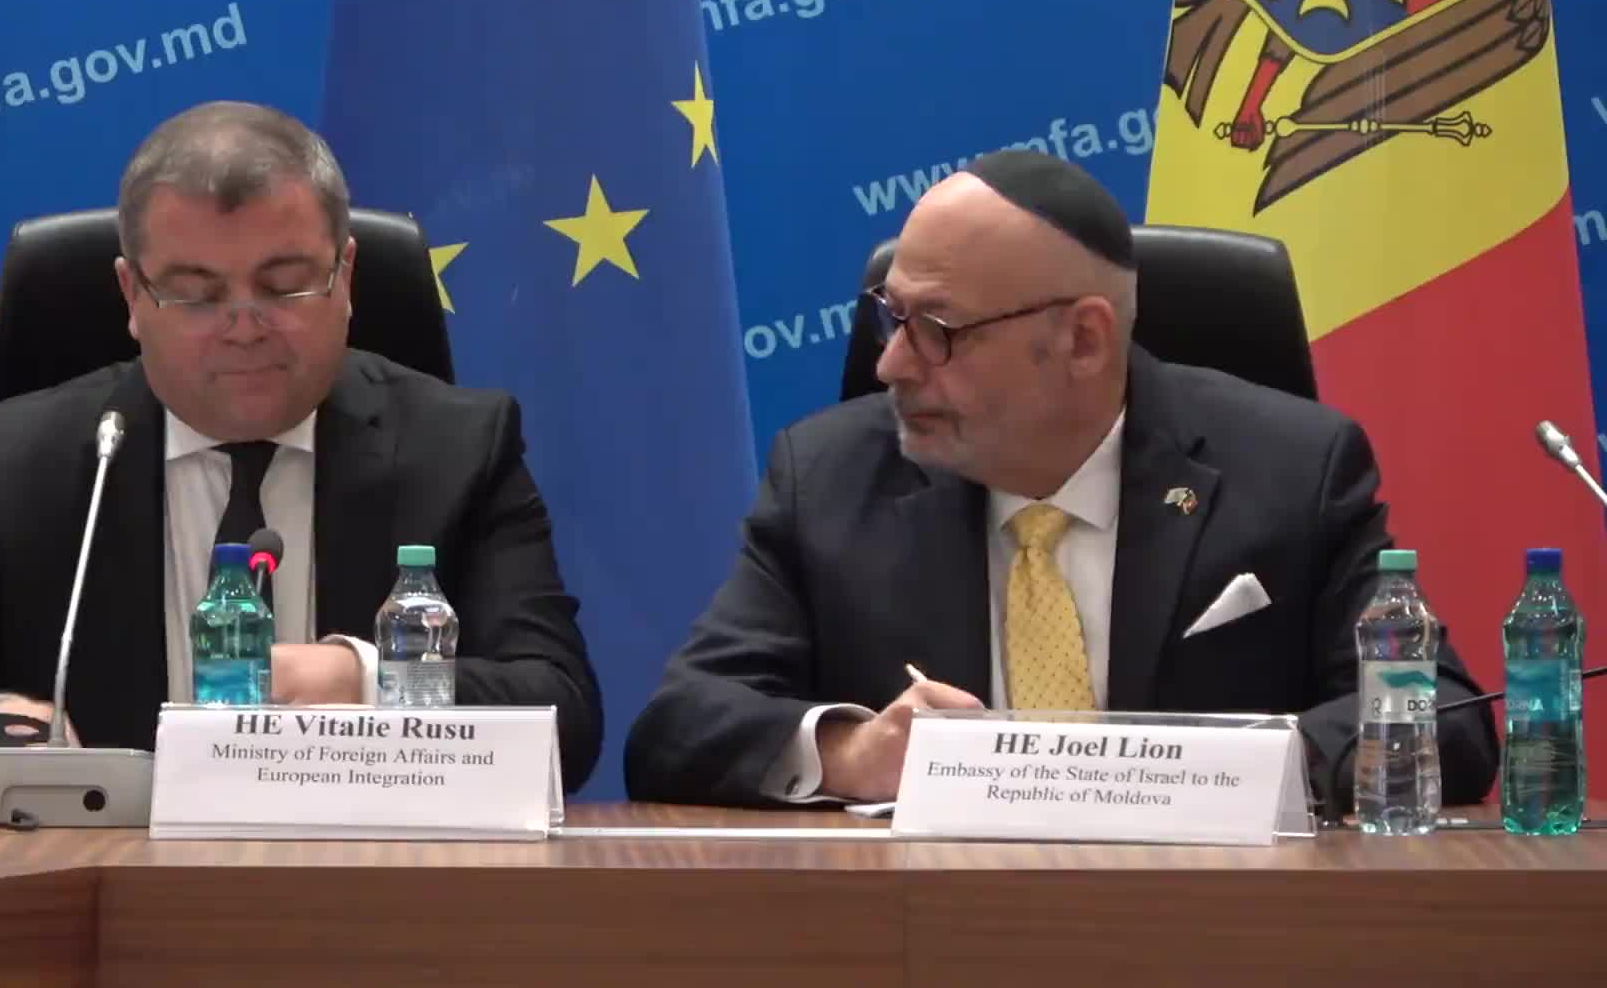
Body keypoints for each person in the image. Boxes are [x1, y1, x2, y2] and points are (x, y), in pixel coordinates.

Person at [623, 149, 1498, 809]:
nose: (891, 364)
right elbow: (677, 726)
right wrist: (858, 754)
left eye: (937, 330)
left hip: (1215, 932)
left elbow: (1448, 721)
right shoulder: (830, 477)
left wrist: (1218, 771)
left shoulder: (1291, 468)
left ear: (1084, 340)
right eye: (892, 317)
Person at [0, 101, 603, 798]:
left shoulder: (459, 449)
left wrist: (363, 680)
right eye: (196, 294)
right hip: (103, 888)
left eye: (284, 285)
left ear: (346, 276)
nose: (243, 326)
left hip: (379, 883)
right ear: (133, 297)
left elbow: (563, 715)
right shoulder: (14, 465)